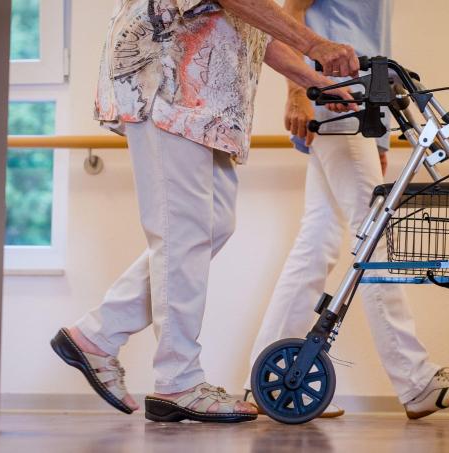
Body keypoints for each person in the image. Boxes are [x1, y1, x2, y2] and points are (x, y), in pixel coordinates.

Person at [50, 0, 362, 424]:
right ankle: (177, 381)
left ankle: (95, 336)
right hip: (167, 85)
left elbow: (252, 25)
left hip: (203, 103)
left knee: (211, 226)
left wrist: (310, 78)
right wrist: (315, 44)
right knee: (182, 233)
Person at [243, 0, 449, 420]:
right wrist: (298, 93)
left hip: (362, 111)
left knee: (317, 241)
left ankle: (268, 384)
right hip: (337, 106)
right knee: (372, 235)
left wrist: (380, 141)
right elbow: (292, 13)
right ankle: (416, 382)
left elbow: (370, 42)